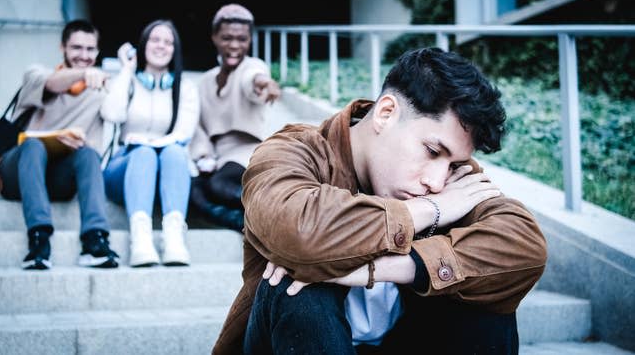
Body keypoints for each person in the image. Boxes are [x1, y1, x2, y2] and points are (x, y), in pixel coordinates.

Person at [212, 48, 548, 354]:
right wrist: (429, 210)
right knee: (297, 284)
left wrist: (385, 269)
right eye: (432, 151)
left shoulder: (449, 175)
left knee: (487, 296)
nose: (436, 181)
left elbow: (524, 246)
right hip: (296, 340)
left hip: (400, 339)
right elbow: (298, 228)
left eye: (452, 164)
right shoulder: (294, 151)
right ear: (385, 113)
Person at [0, 19, 119, 270]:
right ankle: (39, 239)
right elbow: (52, 83)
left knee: (88, 155)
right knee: (33, 146)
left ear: (97, 51)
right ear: (62, 47)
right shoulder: (36, 74)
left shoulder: (100, 92)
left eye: (90, 49)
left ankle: (94, 240)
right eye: (76, 48)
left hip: (59, 177)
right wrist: (85, 74)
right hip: (18, 171)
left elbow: (117, 116)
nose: (84, 55)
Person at [101, 20, 199, 267]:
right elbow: (111, 114)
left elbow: (183, 133)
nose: (161, 46)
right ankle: (140, 240)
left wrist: (149, 141)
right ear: (143, 44)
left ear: (175, 50)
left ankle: (174, 238)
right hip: (124, 169)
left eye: (168, 42)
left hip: (166, 173)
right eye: (155, 39)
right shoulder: (128, 81)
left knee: (175, 153)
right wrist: (126, 70)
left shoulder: (184, 88)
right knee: (143, 153)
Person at [189, 4, 281, 232]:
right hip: (218, 157)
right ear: (214, 38)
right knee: (193, 190)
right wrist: (202, 156)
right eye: (227, 38)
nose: (234, 46)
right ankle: (243, 224)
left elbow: (253, 79)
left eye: (242, 39)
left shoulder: (252, 66)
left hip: (248, 152)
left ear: (249, 41)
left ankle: (275, 209)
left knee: (219, 184)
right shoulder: (205, 81)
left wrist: (264, 84)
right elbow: (197, 126)